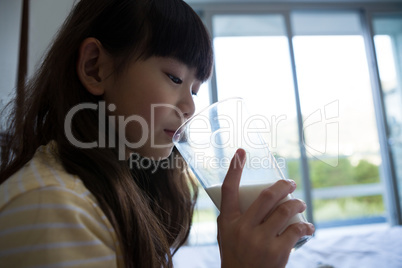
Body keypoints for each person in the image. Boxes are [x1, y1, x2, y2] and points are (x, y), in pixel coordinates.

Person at [0, 0, 314, 267]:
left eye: (195, 88)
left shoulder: (110, 193)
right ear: (95, 67)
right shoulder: (54, 208)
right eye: (175, 78)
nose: (190, 106)